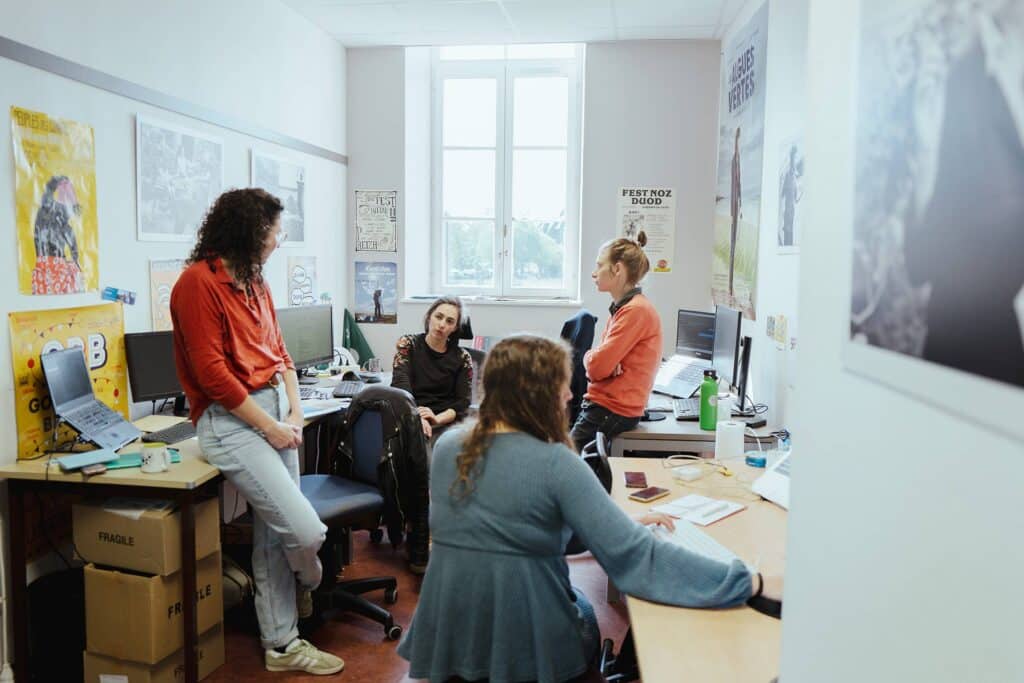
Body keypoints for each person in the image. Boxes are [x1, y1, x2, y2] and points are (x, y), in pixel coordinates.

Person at [397, 335, 781, 682]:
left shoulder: (449, 448)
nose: (570, 396)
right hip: (528, 643)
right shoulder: (556, 463)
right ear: (540, 393)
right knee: (584, 610)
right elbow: (638, 559)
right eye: (563, 384)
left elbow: (514, 530)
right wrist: (750, 580)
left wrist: (611, 522)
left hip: (451, 633)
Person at [170, 188, 344, 676]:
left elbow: (281, 353)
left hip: (274, 412)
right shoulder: (196, 284)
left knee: (273, 535)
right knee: (305, 532)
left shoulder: (254, 280)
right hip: (230, 422)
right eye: (273, 232)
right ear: (250, 232)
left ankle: (281, 644)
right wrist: (270, 425)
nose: (277, 240)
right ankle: (311, 581)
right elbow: (213, 378)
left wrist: (294, 411)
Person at [570, 238, 662, 453]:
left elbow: (595, 368)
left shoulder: (635, 311)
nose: (594, 273)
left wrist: (592, 360)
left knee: (563, 463)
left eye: (600, 265)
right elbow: (598, 362)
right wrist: (595, 360)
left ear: (617, 269)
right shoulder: (624, 309)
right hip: (607, 405)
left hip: (610, 409)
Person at [391, 296, 473, 439]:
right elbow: (400, 385)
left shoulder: (463, 357)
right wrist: (417, 417)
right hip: (410, 413)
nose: (442, 324)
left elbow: (462, 403)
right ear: (429, 317)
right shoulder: (408, 344)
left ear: (455, 328)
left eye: (449, 321)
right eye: (438, 317)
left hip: (445, 421)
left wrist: (436, 419)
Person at [729, 126, 742, 297]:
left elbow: (740, 187)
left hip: (737, 208)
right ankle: (730, 286)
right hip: (733, 210)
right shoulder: (734, 161)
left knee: (735, 246)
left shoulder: (738, 163)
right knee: (732, 246)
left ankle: (732, 286)